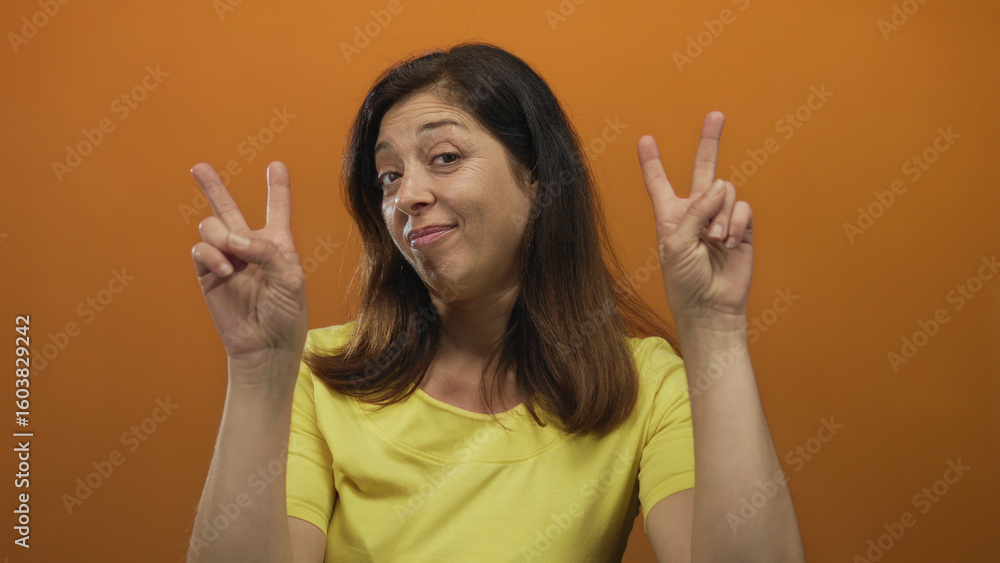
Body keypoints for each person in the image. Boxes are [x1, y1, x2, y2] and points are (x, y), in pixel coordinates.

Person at [186, 42, 805, 562]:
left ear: (536, 179)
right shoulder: (317, 376)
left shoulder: (643, 386)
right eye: (389, 176)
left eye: (445, 158)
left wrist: (715, 329)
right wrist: (257, 370)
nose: (407, 196)